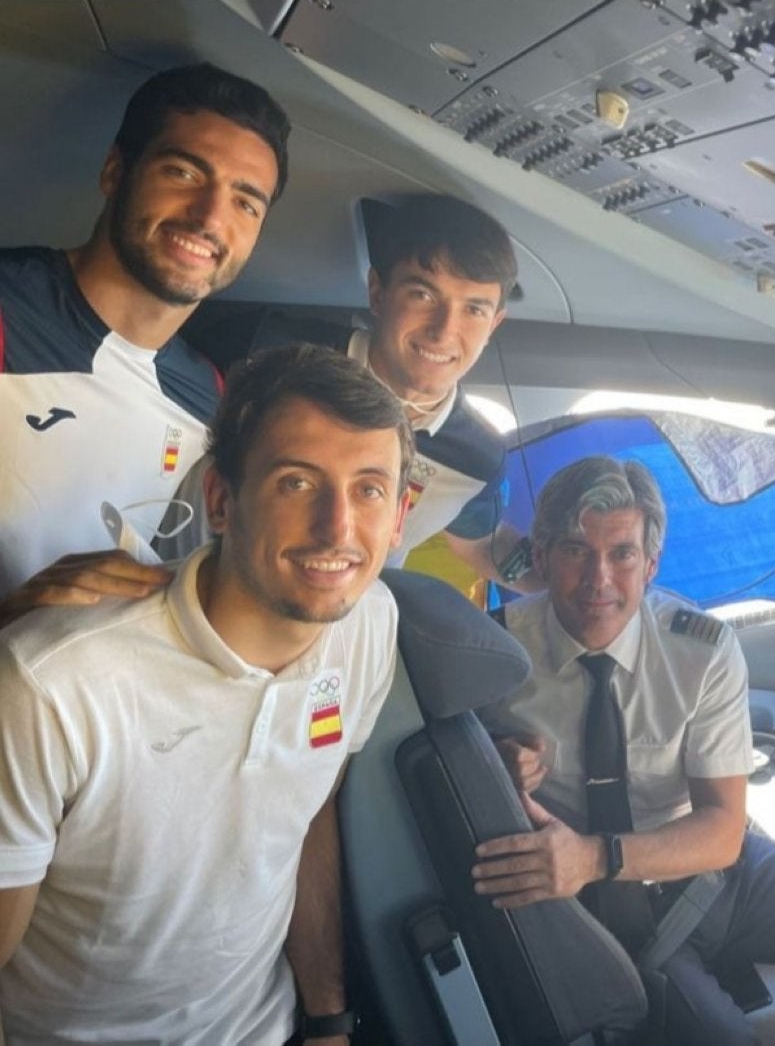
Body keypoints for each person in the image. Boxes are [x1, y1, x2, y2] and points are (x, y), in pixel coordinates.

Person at [474, 455, 775, 1045]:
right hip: (600, 906)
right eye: (577, 551)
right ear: (541, 556)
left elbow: (722, 831)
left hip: (715, 871)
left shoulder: (700, 651)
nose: (598, 579)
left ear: (651, 563)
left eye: (622, 554)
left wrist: (594, 854)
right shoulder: (493, 657)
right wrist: (495, 765)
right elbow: (463, 784)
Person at [0, 344, 413, 1045]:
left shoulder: (370, 624)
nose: (338, 530)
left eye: (369, 489)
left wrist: (327, 1017)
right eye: (296, 483)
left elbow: (308, 812)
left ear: (400, 515)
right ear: (221, 501)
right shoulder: (52, 683)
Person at [0, 61, 290, 629]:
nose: (210, 217)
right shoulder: (11, 310)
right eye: (183, 173)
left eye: (245, 202)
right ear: (115, 171)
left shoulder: (209, 394)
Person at [171, 193, 540, 591]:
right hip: (179, 582)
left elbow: (483, 544)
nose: (444, 330)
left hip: (332, 617)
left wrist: (562, 576)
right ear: (378, 293)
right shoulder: (265, 348)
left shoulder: (477, 459)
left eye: (474, 310)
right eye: (423, 295)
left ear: (494, 323)